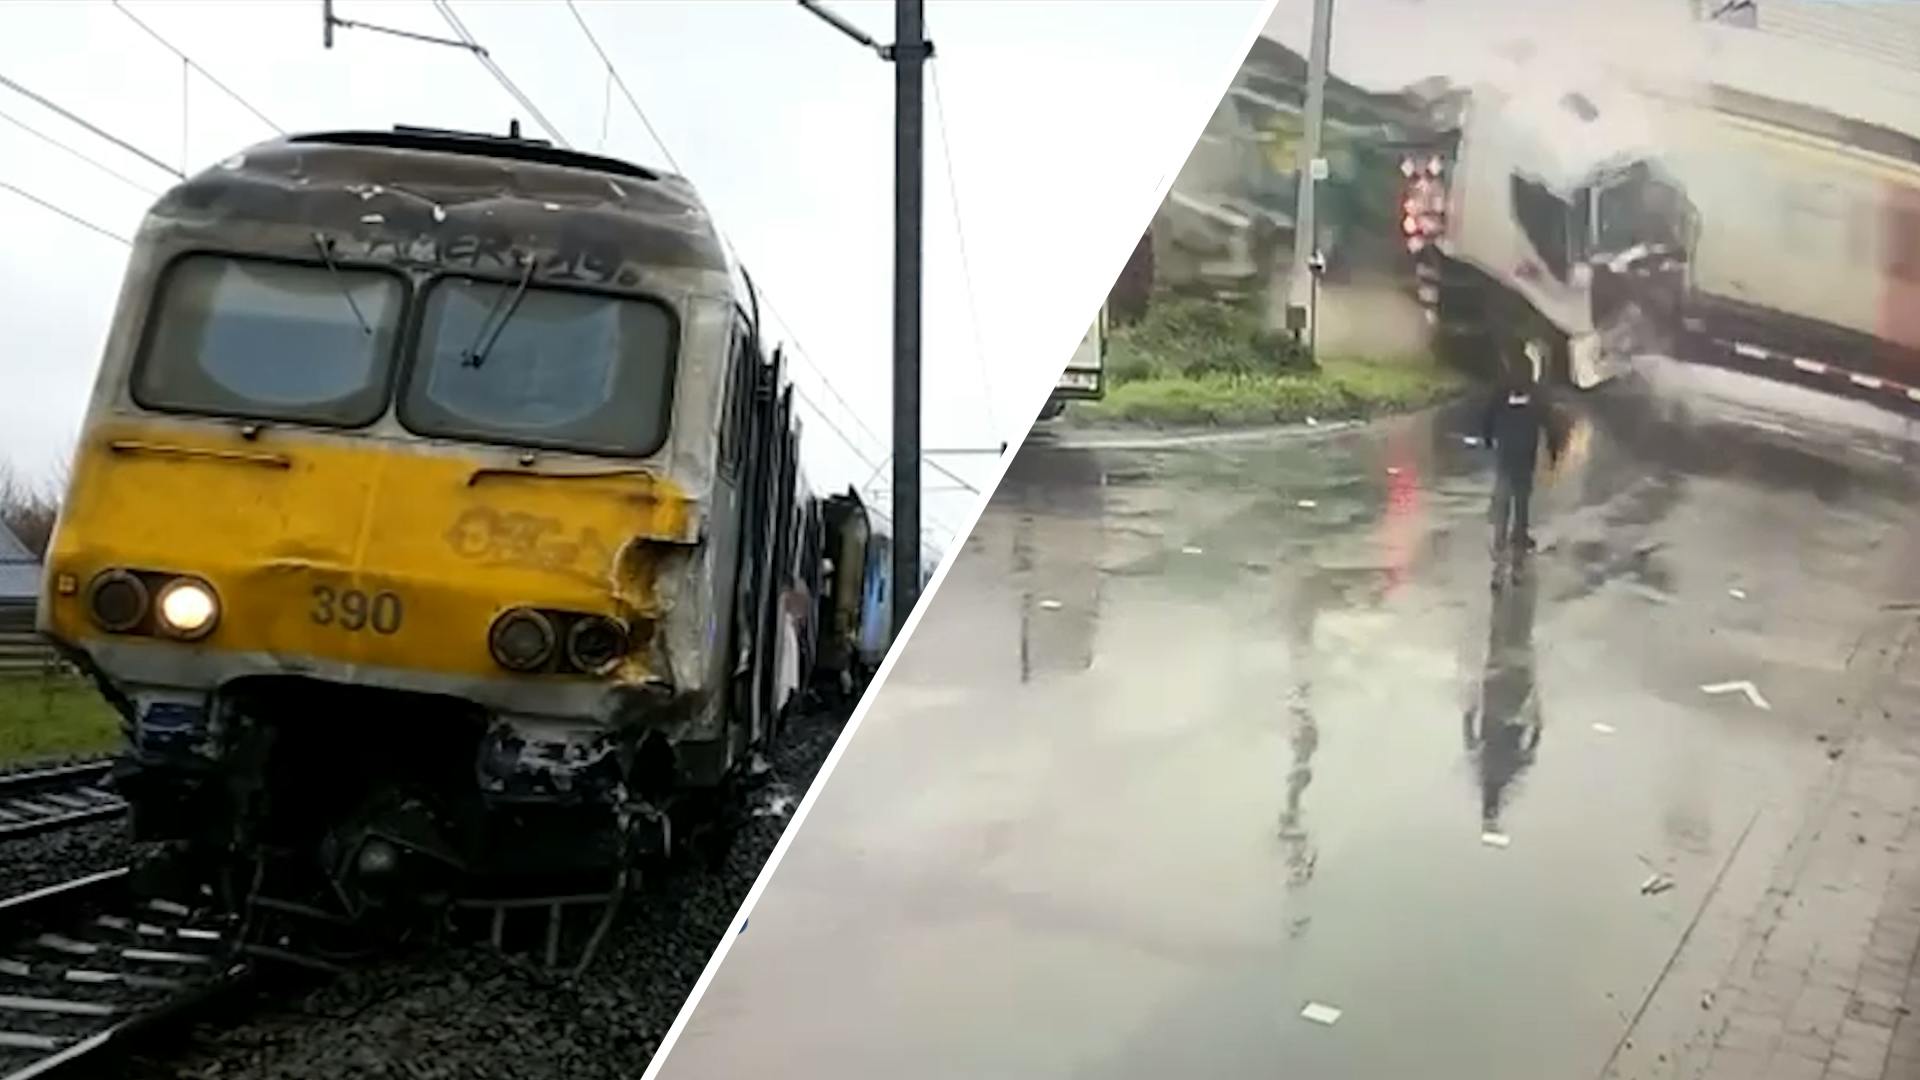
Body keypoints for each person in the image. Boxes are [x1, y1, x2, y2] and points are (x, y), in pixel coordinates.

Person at [1479, 341, 1566, 582]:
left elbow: (1487, 416)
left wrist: (1487, 439)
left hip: (1506, 454)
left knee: (1504, 499)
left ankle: (1499, 548)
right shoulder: (1536, 395)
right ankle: (1518, 550)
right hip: (1524, 456)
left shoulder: (1501, 392)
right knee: (1522, 502)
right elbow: (1550, 424)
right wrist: (1553, 451)